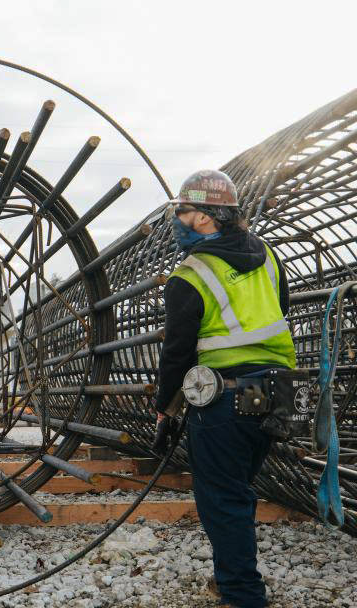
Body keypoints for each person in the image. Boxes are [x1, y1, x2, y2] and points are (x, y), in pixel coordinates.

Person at [154, 170, 296, 608]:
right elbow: (281, 312)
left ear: (202, 217)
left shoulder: (191, 273)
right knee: (238, 491)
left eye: (181, 211)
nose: (176, 218)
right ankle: (231, 579)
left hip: (225, 400)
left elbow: (177, 352)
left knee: (222, 499)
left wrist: (165, 409)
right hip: (275, 393)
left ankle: (243, 595)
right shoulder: (270, 257)